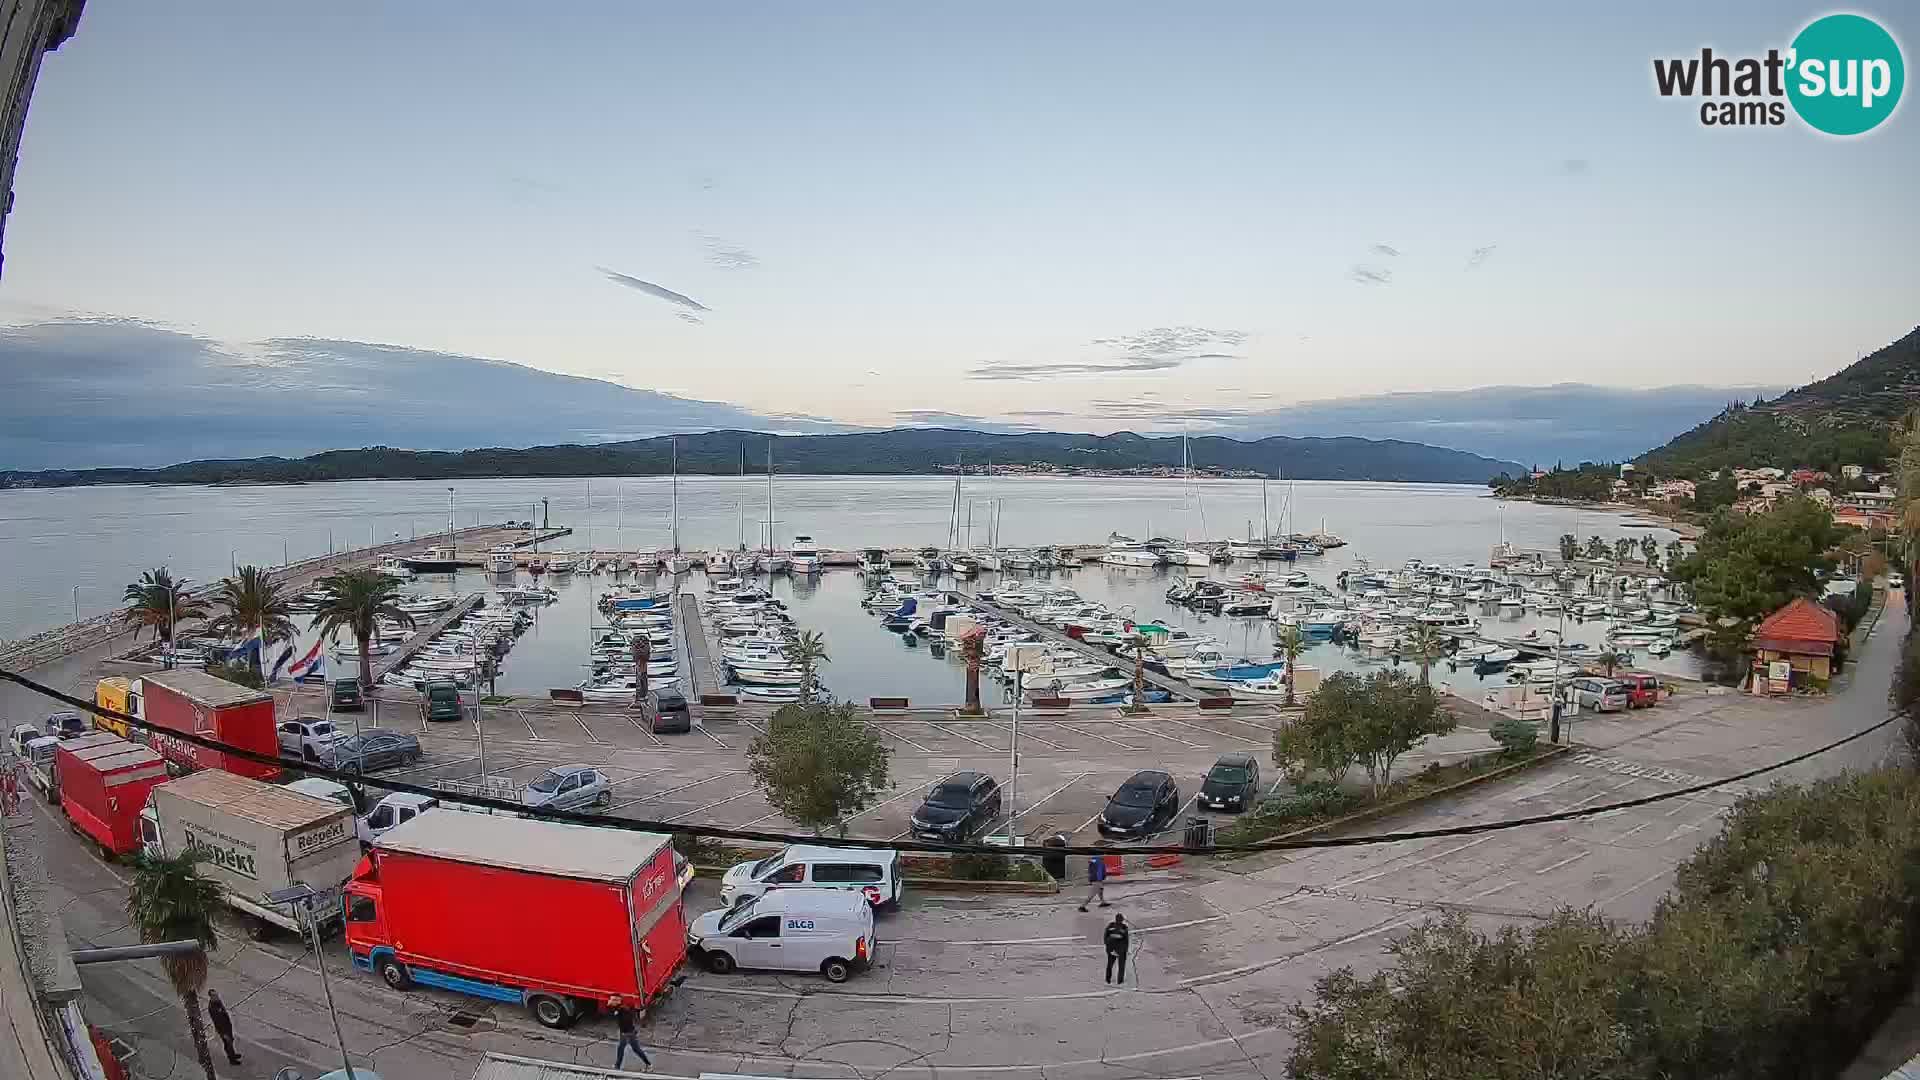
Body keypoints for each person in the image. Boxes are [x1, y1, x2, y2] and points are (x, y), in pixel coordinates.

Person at [612, 1003, 652, 1071]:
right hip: (629, 1032)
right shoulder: (627, 1011)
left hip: (626, 1034)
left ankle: (617, 1066)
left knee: (624, 1049)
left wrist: (623, 1033)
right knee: (633, 1049)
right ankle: (648, 1065)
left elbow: (624, 1023)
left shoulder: (623, 1013)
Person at [206, 989, 241, 1066]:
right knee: (228, 1043)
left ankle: (233, 1054)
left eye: (217, 994)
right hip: (223, 1029)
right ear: (211, 997)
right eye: (215, 995)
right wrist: (223, 1033)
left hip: (227, 1026)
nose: (217, 996)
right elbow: (217, 1022)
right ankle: (232, 1059)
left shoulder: (218, 1002)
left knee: (230, 1042)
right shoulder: (212, 1007)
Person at [1103, 914, 1131, 984]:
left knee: (1110, 965)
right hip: (1120, 950)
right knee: (1121, 966)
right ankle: (1120, 981)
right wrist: (1126, 950)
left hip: (1111, 949)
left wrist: (1108, 948)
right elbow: (1126, 940)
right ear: (1122, 920)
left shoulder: (1110, 926)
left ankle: (1107, 979)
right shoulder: (1124, 927)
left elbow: (1105, 937)